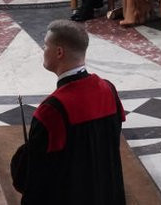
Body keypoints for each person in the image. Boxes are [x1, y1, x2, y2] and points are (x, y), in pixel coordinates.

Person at [11, 21, 125, 205]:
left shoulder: (52, 111)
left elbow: (34, 177)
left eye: (46, 45)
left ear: (59, 52)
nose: (43, 49)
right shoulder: (109, 90)